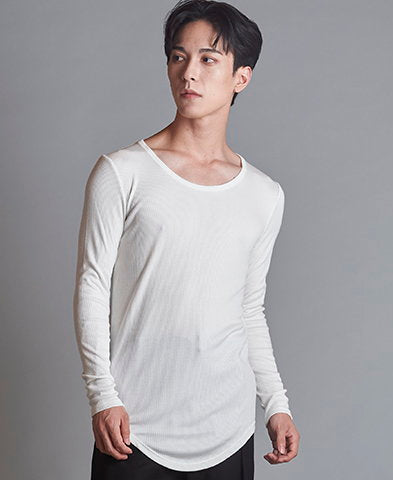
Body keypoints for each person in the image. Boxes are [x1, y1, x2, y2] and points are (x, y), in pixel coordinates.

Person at [73, 1, 300, 478]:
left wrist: (276, 404)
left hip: (228, 429)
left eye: (208, 59)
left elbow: (248, 309)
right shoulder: (122, 172)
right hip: (135, 428)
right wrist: (102, 396)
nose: (188, 73)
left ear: (241, 77)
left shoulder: (264, 195)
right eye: (179, 57)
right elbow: (92, 286)